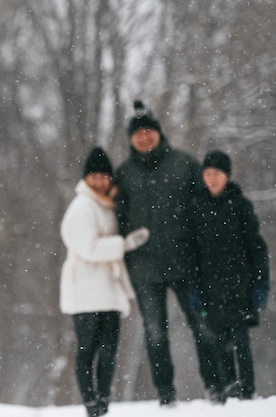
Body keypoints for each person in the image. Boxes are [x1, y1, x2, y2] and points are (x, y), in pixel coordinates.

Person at [113, 100, 222, 406]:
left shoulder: (185, 165)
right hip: (145, 270)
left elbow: (206, 210)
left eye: (149, 131)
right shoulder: (124, 174)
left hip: (187, 264)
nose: (144, 137)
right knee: (155, 334)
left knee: (202, 326)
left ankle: (216, 390)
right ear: (131, 139)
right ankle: (166, 396)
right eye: (138, 133)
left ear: (158, 133)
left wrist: (206, 251)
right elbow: (118, 223)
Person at [60, 147, 149, 417]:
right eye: (94, 176)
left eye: (104, 176)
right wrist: (123, 244)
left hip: (108, 290)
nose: (100, 181)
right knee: (88, 350)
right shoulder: (81, 207)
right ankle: (91, 403)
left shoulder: (106, 205)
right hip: (85, 290)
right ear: (86, 178)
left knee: (109, 352)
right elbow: (88, 247)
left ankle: (103, 402)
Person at [193, 150, 270, 401]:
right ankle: (227, 388)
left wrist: (261, 282)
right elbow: (191, 252)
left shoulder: (240, 205)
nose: (212, 178)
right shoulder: (197, 207)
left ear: (226, 176)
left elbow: (256, 247)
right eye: (207, 173)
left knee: (241, 340)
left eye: (216, 173)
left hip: (240, 285)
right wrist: (194, 288)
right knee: (219, 340)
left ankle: (247, 391)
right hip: (210, 287)